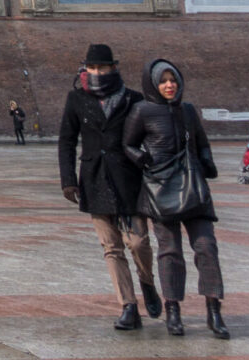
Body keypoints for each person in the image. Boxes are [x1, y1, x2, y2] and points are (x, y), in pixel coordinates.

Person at [57, 44, 161, 331]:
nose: (97, 73)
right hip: (94, 178)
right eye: (92, 68)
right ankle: (128, 306)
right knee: (111, 247)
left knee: (138, 243)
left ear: (113, 68)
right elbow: (67, 140)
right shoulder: (77, 98)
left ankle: (147, 282)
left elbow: (148, 136)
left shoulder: (132, 99)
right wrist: (68, 179)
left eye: (102, 68)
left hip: (128, 178)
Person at [123, 59, 228, 339]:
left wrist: (206, 162)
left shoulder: (188, 110)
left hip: (193, 186)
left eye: (173, 80)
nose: (169, 85)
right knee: (170, 251)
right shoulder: (142, 110)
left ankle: (214, 310)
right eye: (163, 81)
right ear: (153, 84)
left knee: (206, 246)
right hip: (161, 188)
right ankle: (173, 309)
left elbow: (202, 142)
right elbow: (128, 144)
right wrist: (143, 159)